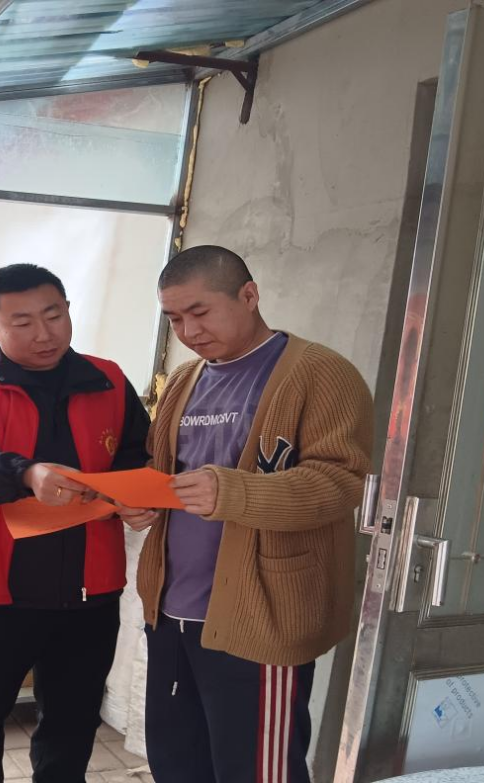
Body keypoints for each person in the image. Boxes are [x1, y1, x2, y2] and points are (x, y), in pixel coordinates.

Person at [120, 245, 372, 783]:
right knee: (176, 765)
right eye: (174, 318)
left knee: (257, 772)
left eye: (200, 312)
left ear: (249, 295)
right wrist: (140, 500)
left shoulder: (320, 372)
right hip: (171, 611)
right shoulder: (183, 381)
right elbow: (165, 471)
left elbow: (340, 482)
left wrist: (232, 492)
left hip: (260, 618)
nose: (189, 331)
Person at [0, 263, 151, 783]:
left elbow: (137, 455)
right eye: (22, 322)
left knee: (72, 724)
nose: (44, 333)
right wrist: (26, 474)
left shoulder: (107, 380)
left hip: (89, 587)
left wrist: (138, 498)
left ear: (68, 310)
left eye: (53, 315)